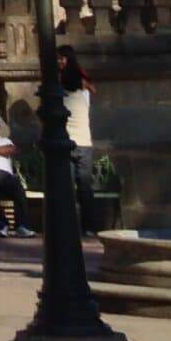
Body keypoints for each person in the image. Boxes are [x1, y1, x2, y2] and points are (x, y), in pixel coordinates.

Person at [55, 44, 99, 215]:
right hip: (82, 142)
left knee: (70, 187)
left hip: (72, 141)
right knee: (83, 186)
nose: (58, 62)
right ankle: (88, 225)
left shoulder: (61, 88)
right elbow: (92, 89)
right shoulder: (81, 85)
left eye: (61, 58)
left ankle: (74, 222)